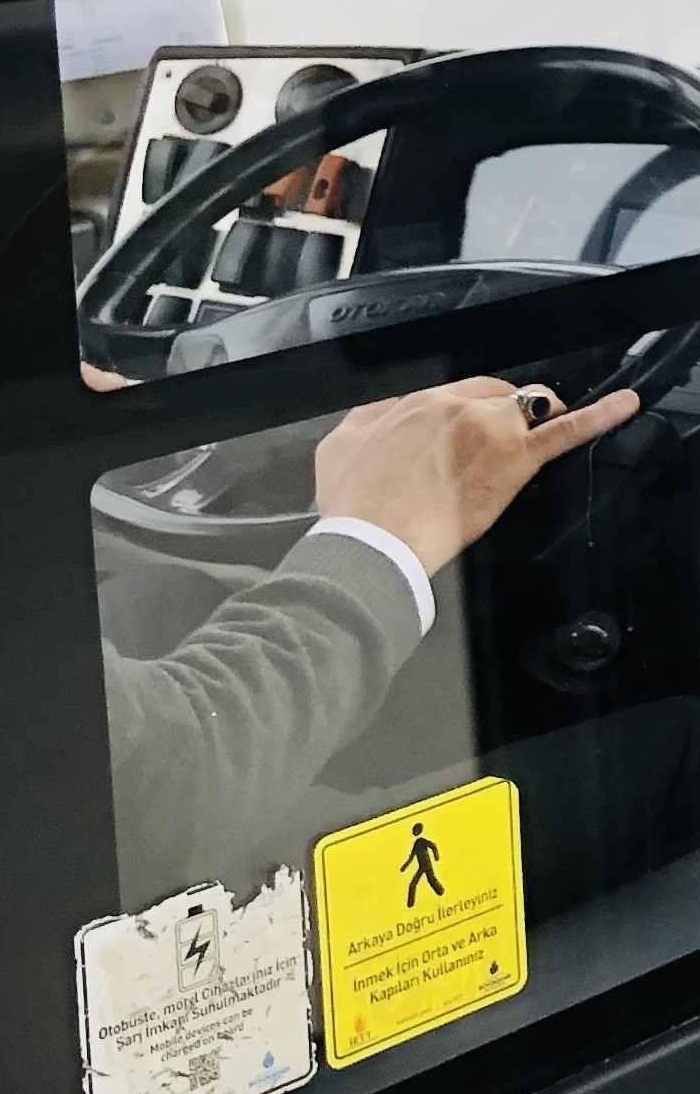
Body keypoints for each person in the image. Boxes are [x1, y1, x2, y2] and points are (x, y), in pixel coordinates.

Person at [101, 376, 644, 904]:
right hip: (156, 850)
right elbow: (168, 778)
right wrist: (375, 538)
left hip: (121, 779)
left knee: (168, 593)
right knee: (682, 746)